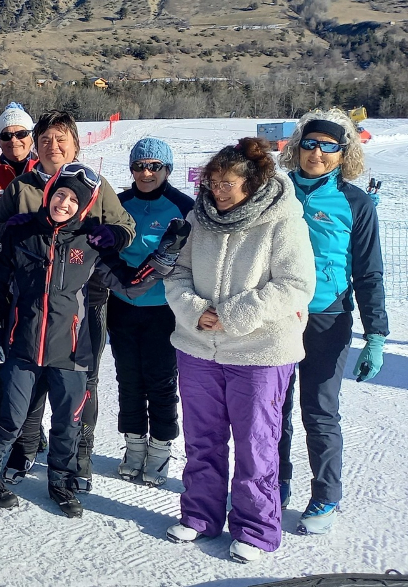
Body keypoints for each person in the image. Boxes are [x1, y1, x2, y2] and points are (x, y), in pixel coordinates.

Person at [0, 162, 185, 518]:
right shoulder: (23, 234)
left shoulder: (90, 244)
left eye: (74, 200)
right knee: (10, 419)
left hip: (71, 351)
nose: (64, 203)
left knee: (67, 423)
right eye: (60, 194)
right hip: (22, 346)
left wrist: (162, 259)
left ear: (85, 207)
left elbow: (131, 285)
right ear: (48, 195)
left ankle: (60, 481)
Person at [163, 137, 314, 563]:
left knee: (256, 443)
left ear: (252, 182)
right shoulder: (199, 218)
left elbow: (296, 286)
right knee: (202, 439)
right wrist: (195, 311)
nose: (217, 190)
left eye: (227, 182)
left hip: (260, 350)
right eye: (212, 181)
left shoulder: (282, 222)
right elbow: (177, 272)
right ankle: (200, 516)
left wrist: (234, 314)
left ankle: (257, 528)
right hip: (198, 347)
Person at [0, 110, 135, 489]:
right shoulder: (23, 186)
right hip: (30, 300)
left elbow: (126, 228)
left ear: (76, 144)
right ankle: (25, 450)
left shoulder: (97, 185)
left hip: (84, 299)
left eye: (61, 138)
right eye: (46, 139)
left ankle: (76, 460)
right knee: (28, 383)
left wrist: (111, 235)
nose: (53, 146)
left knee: (82, 384)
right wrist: (9, 229)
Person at [276, 110, 389, 535]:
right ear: (297, 146)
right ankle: (274, 483)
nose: (317, 153)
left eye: (329, 146)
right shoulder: (277, 191)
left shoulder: (355, 202)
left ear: (344, 154)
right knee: (274, 408)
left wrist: (375, 334)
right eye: (310, 142)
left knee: (319, 411)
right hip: (279, 315)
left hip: (329, 318)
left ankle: (326, 495)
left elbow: (369, 271)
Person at [109, 138, 195, 487]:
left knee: (160, 382)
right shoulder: (120, 202)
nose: (145, 173)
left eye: (153, 166)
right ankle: (134, 445)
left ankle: (160, 450)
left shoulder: (182, 205)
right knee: (128, 379)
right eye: (139, 166)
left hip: (164, 308)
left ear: (167, 169)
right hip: (123, 304)